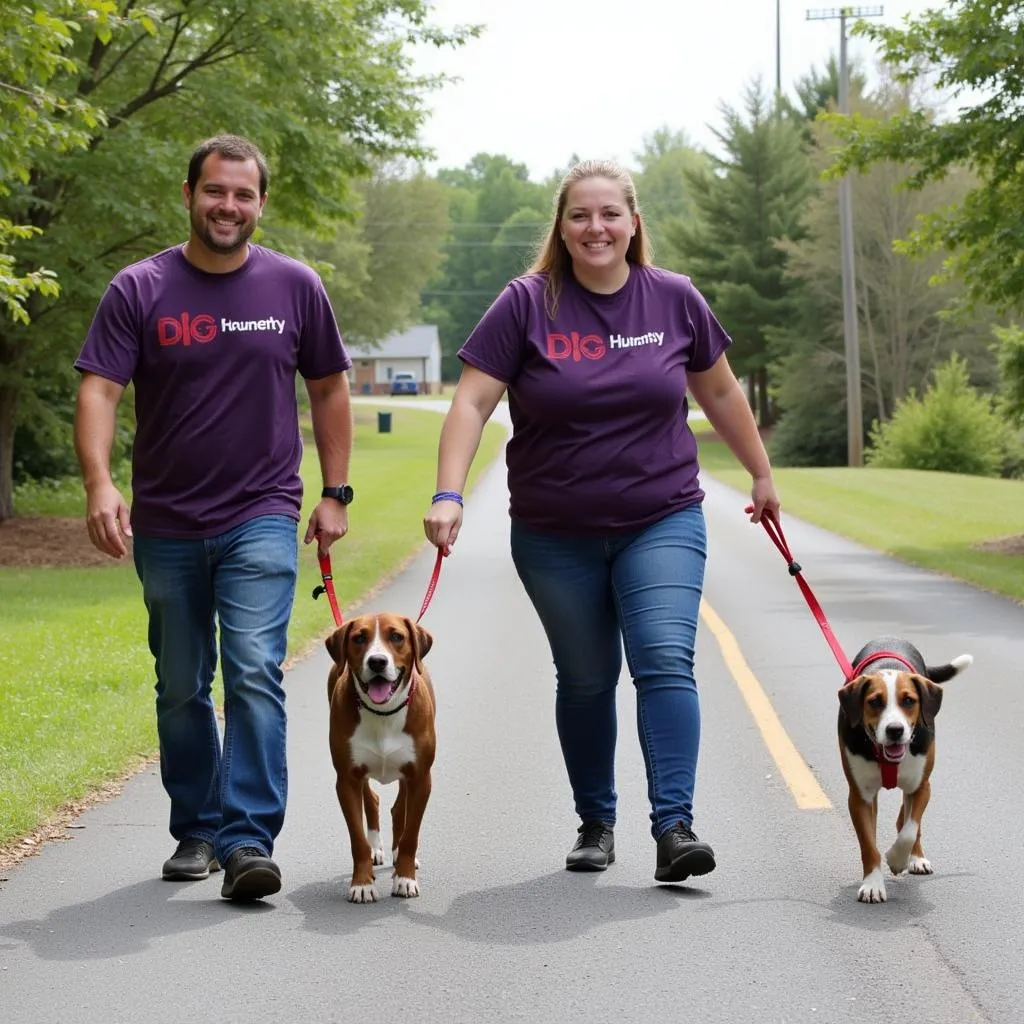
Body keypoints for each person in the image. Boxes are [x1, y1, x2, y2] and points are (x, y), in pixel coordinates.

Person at [423, 159, 780, 884]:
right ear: (561, 227)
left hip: (663, 516)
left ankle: (674, 827)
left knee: (663, 660)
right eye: (581, 215)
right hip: (555, 532)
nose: (596, 227)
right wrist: (449, 493)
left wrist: (762, 472)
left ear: (634, 223)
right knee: (586, 678)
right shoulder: (526, 304)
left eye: (610, 214)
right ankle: (596, 820)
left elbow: (716, 387)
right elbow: (470, 403)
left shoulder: (673, 299)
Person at [73, 134, 354, 902]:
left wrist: (336, 490)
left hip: (261, 511)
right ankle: (197, 827)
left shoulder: (295, 286)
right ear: (190, 194)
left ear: (260, 203)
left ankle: (248, 839)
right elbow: (100, 389)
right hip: (165, 520)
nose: (228, 205)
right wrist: (100, 484)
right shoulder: (141, 287)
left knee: (256, 670)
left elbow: (329, 389)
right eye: (214, 191)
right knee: (181, 682)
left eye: (243, 194)